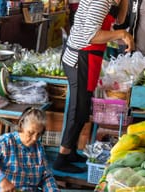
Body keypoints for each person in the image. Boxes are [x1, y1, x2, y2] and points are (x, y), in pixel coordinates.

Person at [52, 0, 134, 174]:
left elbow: (119, 20)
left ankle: (71, 152)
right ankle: (61, 158)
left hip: (89, 59)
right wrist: (122, 34)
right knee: (78, 110)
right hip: (80, 58)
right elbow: (92, 36)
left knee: (82, 108)